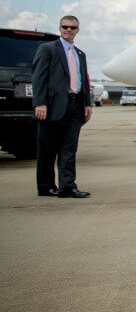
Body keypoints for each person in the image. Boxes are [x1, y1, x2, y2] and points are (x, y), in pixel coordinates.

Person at [32, 15, 93, 198]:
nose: (68, 30)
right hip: (52, 106)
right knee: (47, 149)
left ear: (77, 30)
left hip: (75, 105)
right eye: (65, 26)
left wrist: (87, 103)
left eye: (72, 27)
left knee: (69, 148)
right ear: (60, 28)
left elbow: (83, 81)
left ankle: (67, 187)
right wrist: (40, 102)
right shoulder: (48, 49)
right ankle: (46, 186)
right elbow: (38, 78)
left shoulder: (80, 54)